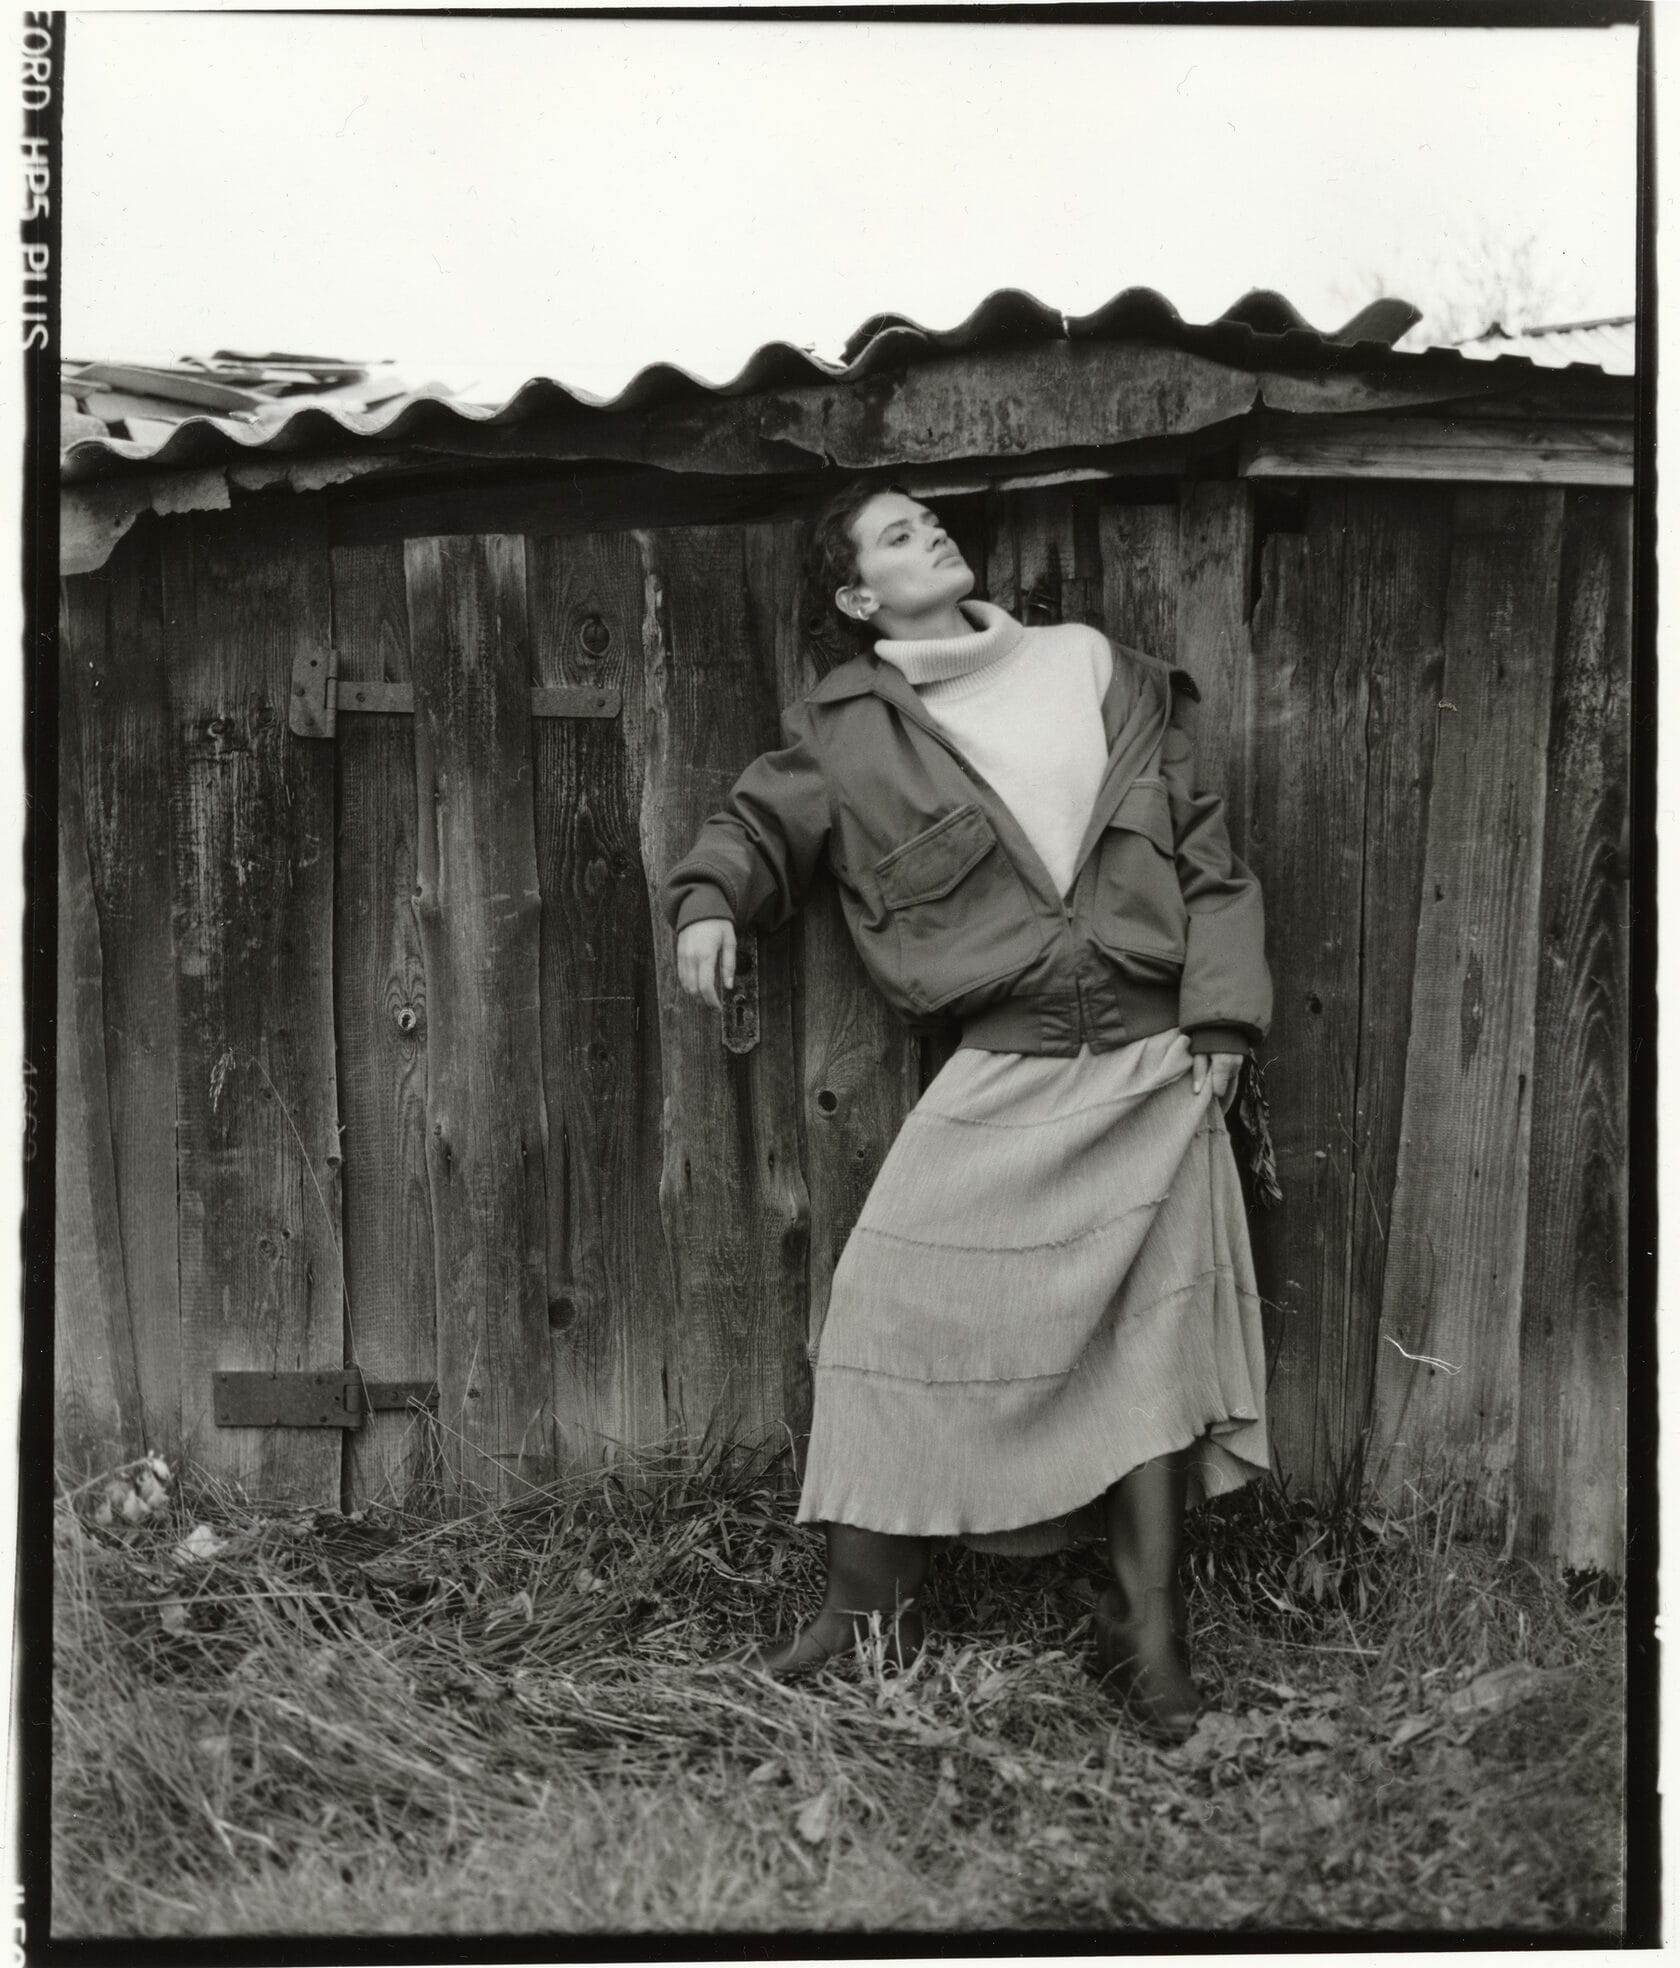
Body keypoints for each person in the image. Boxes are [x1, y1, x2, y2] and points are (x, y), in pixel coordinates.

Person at [662, 479, 1272, 1741]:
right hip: (1004, 1061)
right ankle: (861, 1609)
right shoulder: (846, 730)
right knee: (889, 1310)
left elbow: (1209, 856)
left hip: (1154, 1066)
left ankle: (1146, 1637)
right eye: (895, 535)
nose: (928, 532)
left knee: (1149, 1349)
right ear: (856, 596)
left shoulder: (1095, 668)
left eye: (928, 520)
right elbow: (754, 828)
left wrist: (1221, 1018)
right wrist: (709, 904)